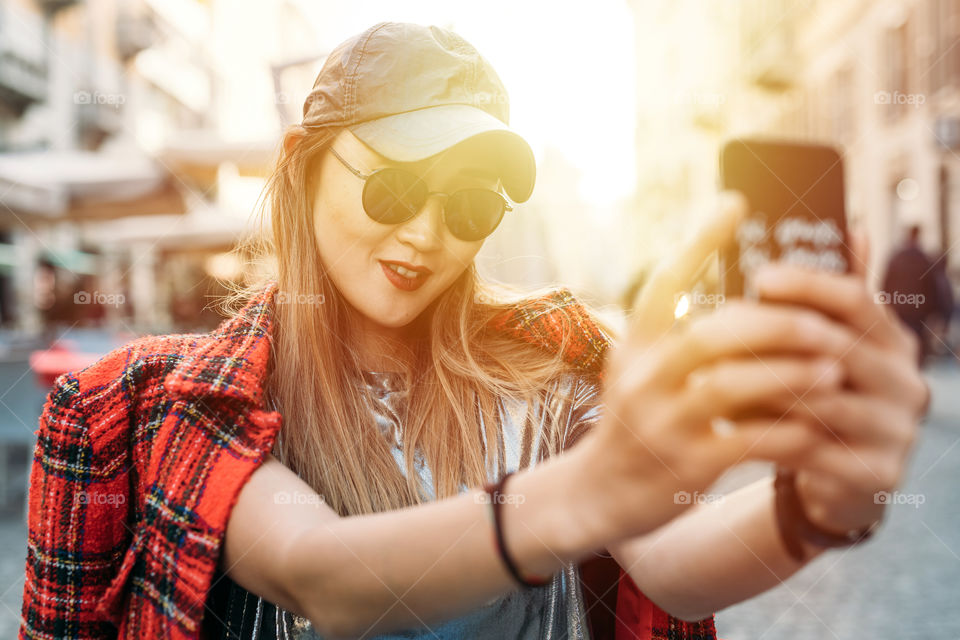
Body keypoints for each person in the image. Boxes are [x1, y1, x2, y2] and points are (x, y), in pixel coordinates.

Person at [20, 22, 929, 640]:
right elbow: (315, 573)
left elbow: (673, 567)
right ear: (301, 168)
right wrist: (597, 488)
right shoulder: (177, 399)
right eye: (396, 187)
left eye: (466, 203)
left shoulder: (548, 375)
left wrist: (814, 505)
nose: (424, 234)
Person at [881, 225, 939, 366]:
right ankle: (915, 367)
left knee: (901, 339)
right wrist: (931, 309)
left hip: (899, 307)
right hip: (918, 310)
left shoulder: (896, 258)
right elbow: (932, 288)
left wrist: (888, 303)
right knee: (917, 340)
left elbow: (886, 283)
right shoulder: (925, 259)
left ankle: (905, 365)